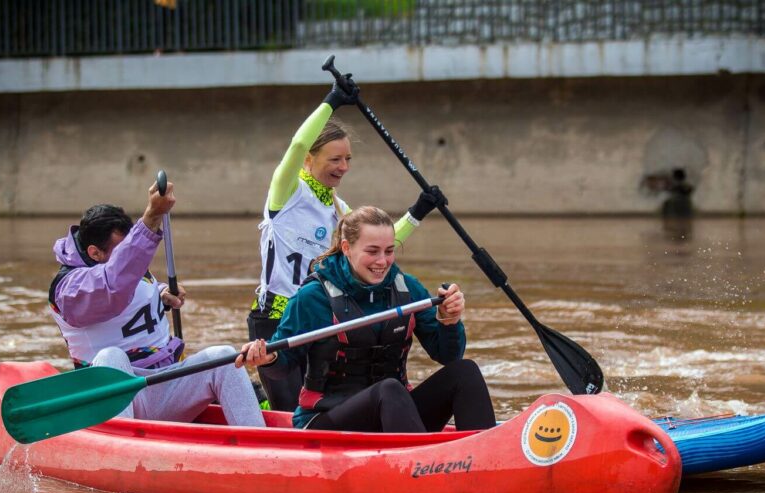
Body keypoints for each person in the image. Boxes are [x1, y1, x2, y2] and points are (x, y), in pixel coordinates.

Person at [248, 78, 441, 411]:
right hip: (275, 317)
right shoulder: (286, 193)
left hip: (320, 313)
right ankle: (261, 403)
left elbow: (380, 243)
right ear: (309, 160)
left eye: (348, 159)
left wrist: (418, 212)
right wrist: (331, 101)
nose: (344, 167)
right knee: (287, 410)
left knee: (319, 401)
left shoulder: (339, 209)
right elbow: (296, 145)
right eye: (335, 159)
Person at [238, 206, 496, 433]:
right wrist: (267, 358)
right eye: (372, 251)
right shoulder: (313, 297)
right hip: (327, 420)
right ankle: (418, 473)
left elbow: (448, 356)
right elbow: (284, 363)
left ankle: (485, 463)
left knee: (465, 372)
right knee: (389, 390)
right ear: (347, 248)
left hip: (396, 415)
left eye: (389, 251)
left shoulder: (408, 289)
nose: (382, 262)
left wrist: (449, 321)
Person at [49, 181, 264, 427]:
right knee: (111, 356)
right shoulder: (69, 290)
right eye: (123, 249)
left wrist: (160, 293)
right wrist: (152, 217)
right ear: (95, 253)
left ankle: (263, 447)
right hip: (112, 399)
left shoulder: (123, 265)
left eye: (131, 244)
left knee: (224, 356)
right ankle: (120, 451)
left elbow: (130, 286)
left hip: (162, 387)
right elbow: (110, 285)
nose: (131, 252)